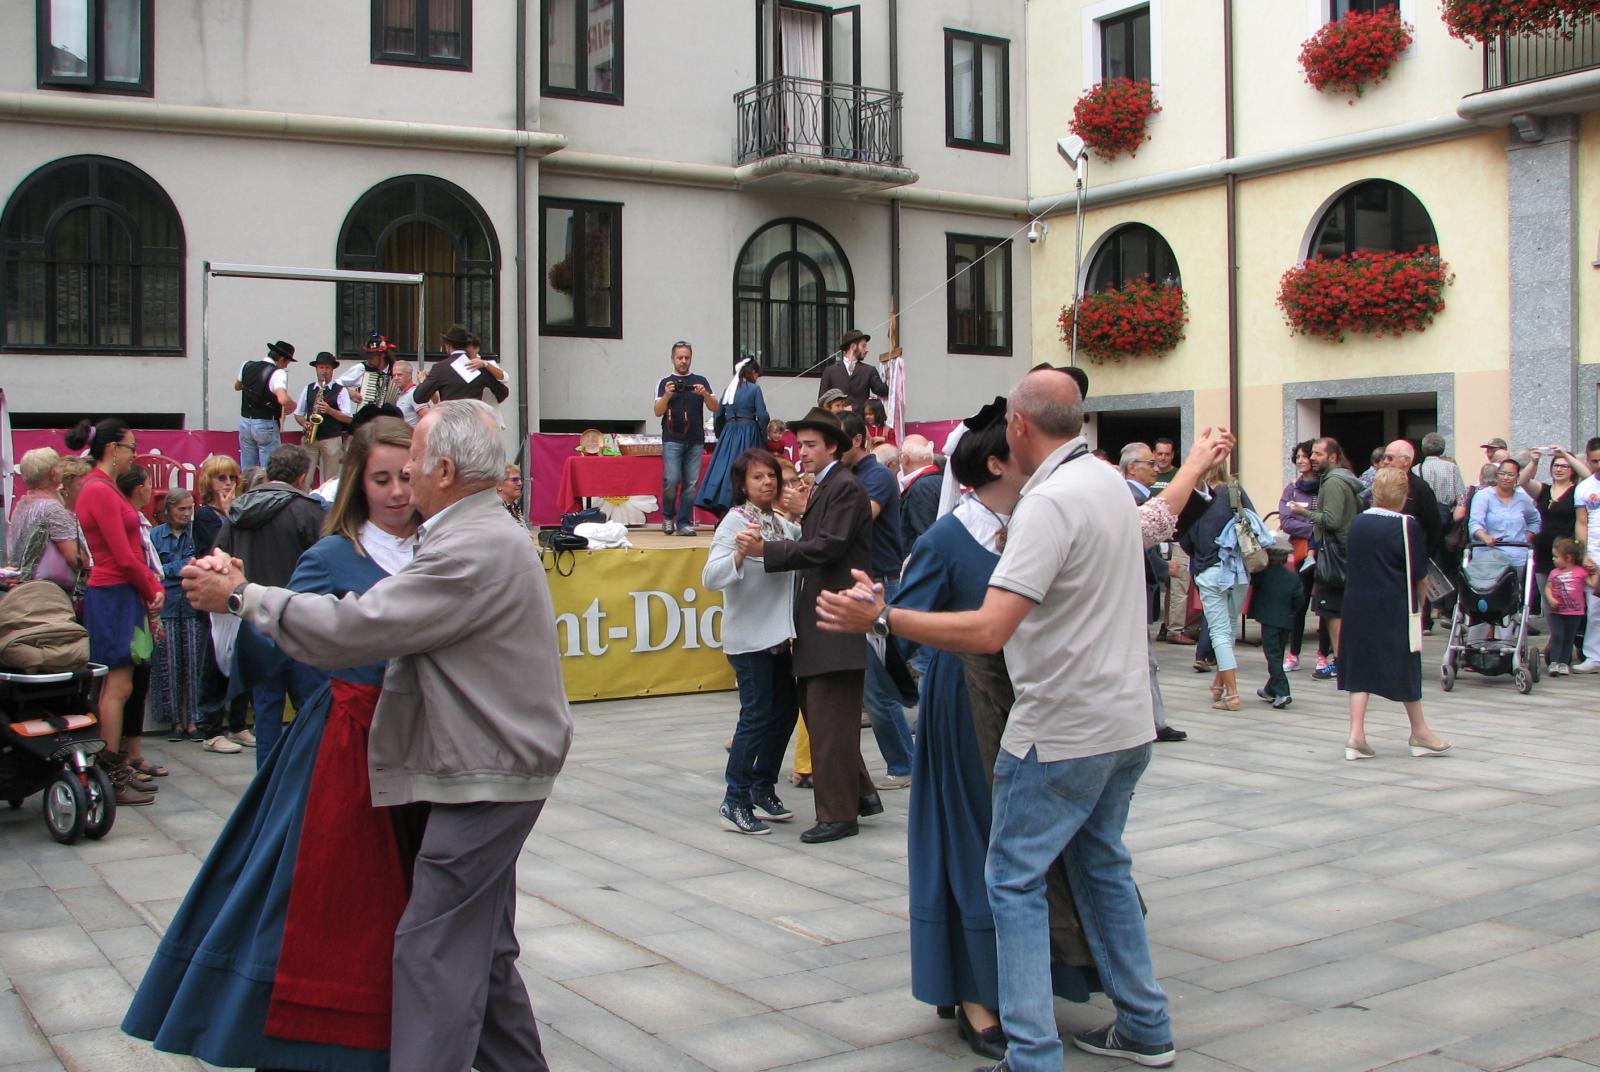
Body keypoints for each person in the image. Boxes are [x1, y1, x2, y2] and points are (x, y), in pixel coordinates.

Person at [179, 400, 573, 1071]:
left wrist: (247, 599)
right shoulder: (465, 534)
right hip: (475, 768)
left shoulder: (470, 545)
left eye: (413, 461)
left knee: (432, 950)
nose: (404, 478)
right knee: (480, 949)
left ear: (443, 471)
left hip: (484, 775)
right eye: (384, 473)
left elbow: (357, 629)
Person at [816, 368, 1176, 1072]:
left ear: (1018, 427)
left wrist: (880, 615)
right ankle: (1145, 1025)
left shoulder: (1048, 504)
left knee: (1011, 877)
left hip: (1062, 727)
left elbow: (989, 630)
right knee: (1101, 865)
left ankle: (1034, 1054)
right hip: (1126, 722)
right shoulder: (1107, 479)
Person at [125, 416, 425, 1070]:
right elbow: (275, 644)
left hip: (430, 752)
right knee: (330, 906)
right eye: (382, 478)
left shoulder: (447, 549)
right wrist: (231, 602)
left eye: (408, 476)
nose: (398, 491)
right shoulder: (330, 556)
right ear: (357, 483)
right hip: (344, 751)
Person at [896, 398, 1097, 1063]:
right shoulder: (947, 538)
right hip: (963, 708)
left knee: (1025, 847)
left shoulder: (1036, 524)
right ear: (994, 464)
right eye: (1023, 453)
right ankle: (974, 995)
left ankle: (1031, 979)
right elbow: (903, 629)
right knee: (971, 842)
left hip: (1031, 700)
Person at [740, 406, 879, 844]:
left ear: (833, 446)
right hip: (822, 621)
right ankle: (859, 795)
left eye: (810, 445)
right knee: (823, 717)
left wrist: (769, 550)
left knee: (829, 721)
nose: (802, 453)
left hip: (835, 621)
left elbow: (828, 547)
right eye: (800, 445)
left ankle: (838, 815)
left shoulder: (844, 488)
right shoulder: (828, 488)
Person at [64, 418, 163, 807]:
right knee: (118, 687)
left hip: (119, 592)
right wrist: (152, 587)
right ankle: (109, 772)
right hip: (114, 592)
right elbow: (123, 556)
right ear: (112, 449)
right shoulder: (99, 491)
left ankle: (115, 766)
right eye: (131, 447)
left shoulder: (101, 488)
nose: (134, 454)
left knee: (122, 684)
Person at [703, 448, 801, 835]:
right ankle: (735, 797)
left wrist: (805, 509)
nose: (768, 483)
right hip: (748, 639)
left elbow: (806, 543)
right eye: (759, 477)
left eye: (772, 476)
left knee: (785, 711)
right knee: (757, 715)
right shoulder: (734, 523)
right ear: (742, 484)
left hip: (778, 636)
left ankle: (763, 786)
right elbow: (710, 578)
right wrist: (740, 556)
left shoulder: (777, 522)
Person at [218, 444, 329, 763]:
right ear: (301, 476)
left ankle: (264, 789)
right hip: (299, 621)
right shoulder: (309, 511)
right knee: (313, 709)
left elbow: (220, 556)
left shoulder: (238, 511)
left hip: (254, 623)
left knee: (266, 711)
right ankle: (310, 779)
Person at [1340, 469, 1452, 762]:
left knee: (1360, 668)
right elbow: (1420, 574)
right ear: (1404, 496)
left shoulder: (1358, 523)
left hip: (1356, 603)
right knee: (1405, 662)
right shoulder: (1406, 525)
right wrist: (1421, 603)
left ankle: (1356, 735)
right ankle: (1420, 731)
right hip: (1392, 604)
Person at [839, 412, 915, 790]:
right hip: (867, 585)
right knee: (876, 684)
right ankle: (907, 763)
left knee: (878, 686)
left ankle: (905, 765)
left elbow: (856, 519)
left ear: (856, 441)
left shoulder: (877, 476)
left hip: (881, 586)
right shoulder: (853, 476)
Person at [1182, 461, 1266, 712]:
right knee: (1227, 630)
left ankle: (1232, 694)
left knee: (1219, 632)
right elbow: (1254, 522)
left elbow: (1186, 538)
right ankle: (1219, 684)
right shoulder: (1234, 491)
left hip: (1210, 568)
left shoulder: (1197, 496)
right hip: (1238, 568)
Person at [1122, 442, 1187, 742]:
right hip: (1133, 591)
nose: (1156, 467)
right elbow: (1139, 542)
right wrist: (1163, 568)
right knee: (1143, 660)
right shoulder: (1131, 498)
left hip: (1137, 590)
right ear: (1132, 467)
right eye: (1150, 462)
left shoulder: (1138, 496)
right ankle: (1154, 722)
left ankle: (1153, 720)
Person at [1288, 437, 1364, 681]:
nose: (1312, 458)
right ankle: (1344, 661)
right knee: (1337, 610)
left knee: (1332, 611)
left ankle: (1340, 663)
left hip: (1334, 554)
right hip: (1344, 552)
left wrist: (1303, 512)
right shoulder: (1344, 479)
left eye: (1318, 454)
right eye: (1312, 454)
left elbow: (1330, 520)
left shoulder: (1333, 482)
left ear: (1332, 457)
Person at [189, 454, 248, 753]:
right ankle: (210, 729)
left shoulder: (238, 510)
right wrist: (228, 512)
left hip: (238, 591)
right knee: (214, 661)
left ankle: (237, 724)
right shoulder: (204, 515)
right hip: (214, 595)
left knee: (240, 657)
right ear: (208, 482)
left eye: (231, 478)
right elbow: (214, 548)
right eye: (220, 478)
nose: (227, 483)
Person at [152, 490, 206, 742]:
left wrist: (174, 570)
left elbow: (197, 564)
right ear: (169, 509)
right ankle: (174, 720)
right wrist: (181, 567)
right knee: (169, 665)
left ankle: (194, 720)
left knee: (194, 664)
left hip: (191, 603)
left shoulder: (195, 532)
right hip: (168, 606)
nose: (187, 514)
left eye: (189, 509)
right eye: (181, 509)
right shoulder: (155, 535)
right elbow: (153, 570)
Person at [654, 341, 719, 536]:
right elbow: (657, 411)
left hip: (696, 439)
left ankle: (684, 523)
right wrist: (667, 394)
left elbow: (715, 408)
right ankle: (668, 517)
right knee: (671, 480)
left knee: (691, 484)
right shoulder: (664, 382)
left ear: (691, 358)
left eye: (687, 357)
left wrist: (704, 393)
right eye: (680, 357)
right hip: (672, 438)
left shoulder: (701, 380)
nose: (683, 361)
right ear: (672, 359)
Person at [696, 355, 770, 517]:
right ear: (753, 372)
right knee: (747, 470)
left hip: (729, 432)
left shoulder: (729, 389)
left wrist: (722, 434)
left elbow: (717, 415)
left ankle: (722, 511)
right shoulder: (754, 389)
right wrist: (763, 435)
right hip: (748, 431)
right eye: (758, 374)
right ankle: (741, 510)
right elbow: (763, 416)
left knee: (724, 470)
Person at [8, 447, 85, 598]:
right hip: (50, 595)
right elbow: (75, 558)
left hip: (23, 591)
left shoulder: (21, 506)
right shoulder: (52, 508)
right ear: (53, 474)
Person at [1249, 539, 1304, 710]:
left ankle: (1282, 691)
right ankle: (1270, 689)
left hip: (1269, 620)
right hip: (1286, 620)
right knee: (1278, 654)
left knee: (1272, 655)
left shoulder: (1261, 575)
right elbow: (1300, 601)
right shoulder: (1293, 577)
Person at [1278, 441, 1318, 672]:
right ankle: (1293, 653)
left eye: (1306, 456)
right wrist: (1314, 527)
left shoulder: (1326, 486)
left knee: (1325, 606)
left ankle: (1325, 656)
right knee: (1299, 603)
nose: (1301, 460)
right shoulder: (1291, 489)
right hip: (1301, 552)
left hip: (1324, 553)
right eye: (1298, 456)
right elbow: (1286, 521)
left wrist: (1308, 521)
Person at [1150, 437, 1192, 644]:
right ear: (1154, 454)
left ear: (1173, 455)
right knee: (1153, 580)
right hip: (1150, 537)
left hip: (1175, 537)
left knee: (1173, 582)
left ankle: (1167, 626)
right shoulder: (1148, 474)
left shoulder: (1178, 476)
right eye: (1159, 454)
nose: (1163, 458)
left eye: (1167, 454)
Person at [1468, 457, 1540, 573]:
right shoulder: (1483, 496)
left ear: (1517, 477)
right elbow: (1475, 523)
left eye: (1510, 475)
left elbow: (1535, 521)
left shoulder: (1523, 499)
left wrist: (1526, 537)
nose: (1506, 478)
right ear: (1497, 475)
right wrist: (1485, 537)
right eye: (1502, 474)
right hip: (1488, 557)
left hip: (1516, 557)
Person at [293, 351, 355, 484]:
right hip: (310, 439)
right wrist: (304, 423)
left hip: (331, 439)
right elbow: (298, 414)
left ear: (332, 370)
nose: (324, 371)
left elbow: (348, 418)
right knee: (303, 478)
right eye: (321, 367)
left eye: (327, 368)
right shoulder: (308, 389)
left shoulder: (341, 390)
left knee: (331, 480)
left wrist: (329, 410)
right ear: (316, 369)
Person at [414, 324, 510, 407]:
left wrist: (423, 381)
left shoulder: (440, 368)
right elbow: (503, 393)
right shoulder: (478, 366)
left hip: (450, 422)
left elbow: (419, 397)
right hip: (474, 421)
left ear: (448, 346)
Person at [237, 340, 296, 469]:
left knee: (247, 469)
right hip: (265, 423)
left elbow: (237, 386)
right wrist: (293, 405)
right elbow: (282, 399)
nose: (286, 366)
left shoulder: (247, 365)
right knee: (269, 468)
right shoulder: (277, 373)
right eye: (287, 362)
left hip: (245, 421)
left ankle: (247, 488)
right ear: (281, 359)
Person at [1544, 537, 1590, 673]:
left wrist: (1595, 572)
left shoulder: (1580, 572)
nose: (1553, 559)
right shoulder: (1554, 573)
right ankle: (1554, 662)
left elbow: (1591, 583)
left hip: (1575, 612)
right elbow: (1548, 587)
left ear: (1568, 558)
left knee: (1569, 637)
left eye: (1556, 556)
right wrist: (1551, 598)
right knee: (1557, 635)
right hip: (1556, 612)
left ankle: (1564, 663)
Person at [817, 328, 890, 415]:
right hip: (837, 424)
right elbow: (822, 401)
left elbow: (882, 390)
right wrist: (842, 409)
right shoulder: (830, 371)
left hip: (860, 423)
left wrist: (891, 373)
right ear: (853, 347)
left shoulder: (869, 370)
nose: (867, 350)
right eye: (863, 346)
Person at [338, 332, 401, 416]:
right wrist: (348, 392)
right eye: (367, 357)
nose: (368, 360)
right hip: (366, 421)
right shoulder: (362, 368)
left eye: (371, 357)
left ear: (382, 355)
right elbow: (336, 384)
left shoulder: (396, 370)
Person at [391, 360, 422, 425]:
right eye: (394, 375)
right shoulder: (399, 394)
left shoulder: (414, 393)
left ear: (409, 375)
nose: (396, 378)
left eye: (399, 375)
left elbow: (427, 416)